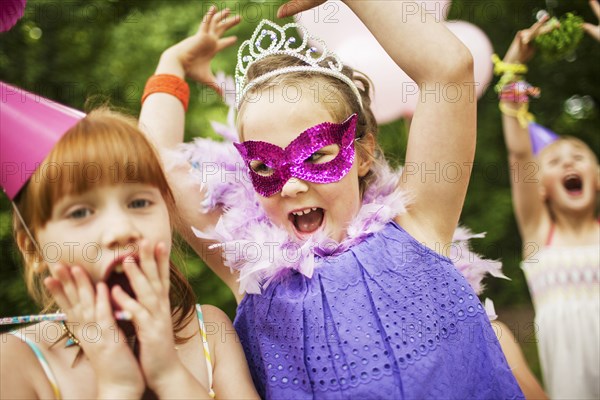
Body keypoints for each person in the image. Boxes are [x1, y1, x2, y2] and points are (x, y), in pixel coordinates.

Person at [140, 2, 524, 398]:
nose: (290, 186)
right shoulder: (251, 275)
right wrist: (171, 63)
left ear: (363, 153)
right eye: (266, 166)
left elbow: (449, 69)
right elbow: (152, 169)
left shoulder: (420, 224)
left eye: (316, 155)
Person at [0, 91, 258, 399]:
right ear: (33, 248)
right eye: (81, 212)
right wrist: (118, 388)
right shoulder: (16, 361)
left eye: (138, 202)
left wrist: (170, 375)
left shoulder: (210, 332)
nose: (122, 230)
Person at [496, 15, 600, 400]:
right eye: (556, 162)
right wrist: (513, 68)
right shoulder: (540, 234)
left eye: (580, 156)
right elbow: (520, 152)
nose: (569, 163)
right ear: (540, 189)